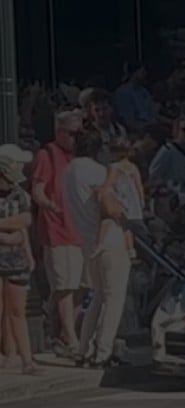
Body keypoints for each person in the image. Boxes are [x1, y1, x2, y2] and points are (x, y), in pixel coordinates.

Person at [64, 131, 133, 369]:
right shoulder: (98, 172)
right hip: (109, 237)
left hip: (86, 239)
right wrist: (123, 210)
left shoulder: (69, 171)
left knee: (98, 297)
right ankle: (103, 352)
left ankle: (83, 349)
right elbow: (109, 206)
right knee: (114, 298)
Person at [31, 110, 84, 356]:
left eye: (79, 134)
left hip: (78, 228)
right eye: (72, 134)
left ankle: (61, 332)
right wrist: (50, 206)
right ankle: (69, 337)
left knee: (76, 286)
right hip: (58, 228)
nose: (76, 139)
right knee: (64, 286)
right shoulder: (47, 154)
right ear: (59, 132)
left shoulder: (78, 157)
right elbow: (38, 190)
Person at [0, 145, 38, 374]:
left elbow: (24, 222)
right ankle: (7, 353)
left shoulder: (21, 195)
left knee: (17, 311)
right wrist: (9, 232)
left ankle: (27, 359)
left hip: (15, 260)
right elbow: (16, 226)